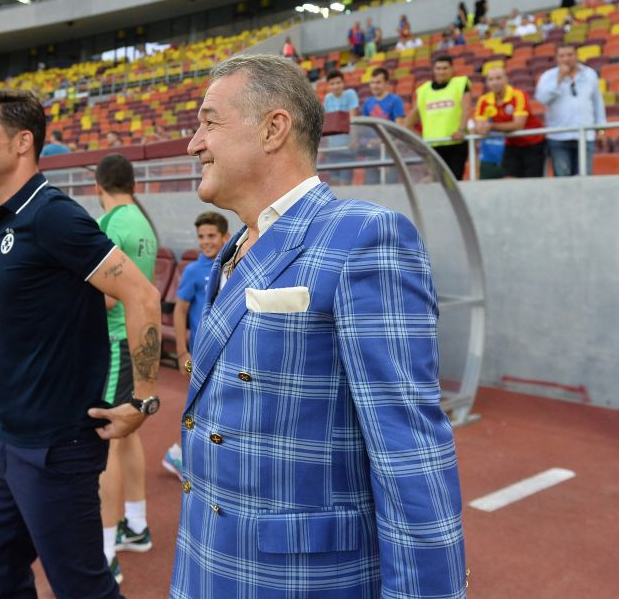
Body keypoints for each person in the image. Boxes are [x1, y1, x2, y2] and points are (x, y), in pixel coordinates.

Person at [172, 53, 466, 598]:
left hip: (300, 581)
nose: (194, 143)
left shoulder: (365, 238)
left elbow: (409, 452)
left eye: (209, 122)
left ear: (273, 128)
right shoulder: (229, 252)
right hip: (206, 564)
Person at [0, 88, 161, 599]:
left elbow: (140, 294)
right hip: (8, 440)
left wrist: (142, 398)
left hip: (57, 446)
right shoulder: (3, 218)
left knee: (82, 588)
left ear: (22, 142)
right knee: (0, 576)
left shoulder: (52, 215)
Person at [93, 153, 158, 584]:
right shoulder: (142, 222)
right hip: (133, 339)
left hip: (115, 341)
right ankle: (136, 524)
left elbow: (110, 297)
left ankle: (104, 550)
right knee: (128, 437)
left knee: (108, 442)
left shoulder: (112, 223)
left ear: (99, 186)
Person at [163, 211, 230, 480]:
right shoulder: (193, 271)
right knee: (201, 407)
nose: (205, 242)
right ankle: (178, 453)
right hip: (200, 351)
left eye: (211, 236)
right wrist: (181, 352)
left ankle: (192, 455)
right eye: (201, 236)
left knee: (220, 407)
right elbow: (179, 312)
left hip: (226, 350)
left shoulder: (234, 265)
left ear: (225, 237)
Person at [535, 44, 607, 176]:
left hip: (585, 135)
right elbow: (541, 98)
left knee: (584, 177)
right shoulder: (548, 76)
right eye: (562, 56)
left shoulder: (589, 74)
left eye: (570, 55)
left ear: (576, 56)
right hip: (559, 136)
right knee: (563, 179)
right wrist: (559, 80)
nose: (566, 59)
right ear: (556, 58)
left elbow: (597, 103)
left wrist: (601, 130)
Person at [406, 54, 472, 180]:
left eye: (445, 68)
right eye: (438, 68)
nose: (441, 71)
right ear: (433, 70)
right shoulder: (423, 90)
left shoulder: (460, 84)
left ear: (452, 69)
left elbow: (466, 108)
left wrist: (461, 129)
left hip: (455, 144)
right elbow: (410, 121)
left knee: (455, 181)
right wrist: (420, 138)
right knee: (437, 182)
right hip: (432, 146)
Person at [472, 66, 545, 179]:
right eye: (491, 79)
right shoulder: (484, 100)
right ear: (486, 83)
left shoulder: (519, 95)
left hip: (533, 143)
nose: (495, 82)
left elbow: (518, 125)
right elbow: (480, 125)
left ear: (506, 79)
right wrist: (480, 128)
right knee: (509, 180)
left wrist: (490, 126)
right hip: (512, 144)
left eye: (498, 78)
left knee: (531, 183)